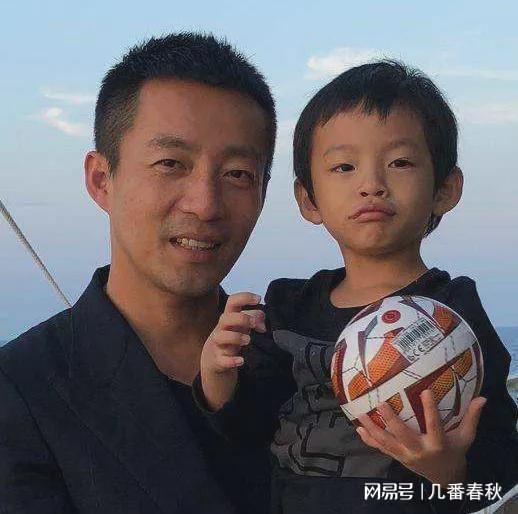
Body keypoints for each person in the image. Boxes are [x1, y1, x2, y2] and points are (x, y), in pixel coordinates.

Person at [196, 60, 518, 514]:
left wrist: (448, 473)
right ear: (308, 199)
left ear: (445, 188)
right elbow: (247, 428)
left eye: (400, 162)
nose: (371, 184)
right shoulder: (289, 308)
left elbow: (500, 465)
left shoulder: (454, 316)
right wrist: (216, 375)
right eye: (344, 166)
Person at [0, 33, 277, 514]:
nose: (205, 204)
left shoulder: (304, 362)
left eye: (237, 174)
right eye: (170, 163)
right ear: (101, 180)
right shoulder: (22, 391)